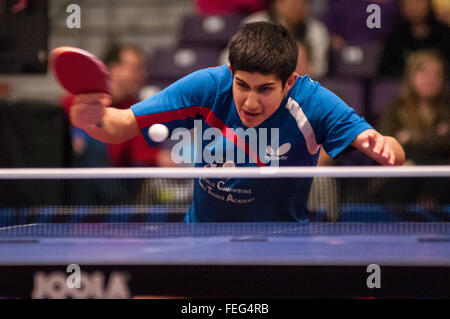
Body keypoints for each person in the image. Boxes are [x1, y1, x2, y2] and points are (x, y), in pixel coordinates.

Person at [69, 22, 405, 222]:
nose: (250, 102)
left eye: (265, 89)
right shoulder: (208, 86)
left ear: (289, 82)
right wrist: (94, 119)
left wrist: (385, 146)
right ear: (231, 72)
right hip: (202, 237)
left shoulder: (313, 102)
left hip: (283, 242)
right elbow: (123, 123)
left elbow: (390, 150)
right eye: (242, 85)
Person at [376, 49, 449, 220]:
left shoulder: (447, 109)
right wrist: (435, 137)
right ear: (411, 75)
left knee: (421, 161)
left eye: (437, 73)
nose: (431, 78)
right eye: (423, 71)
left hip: (441, 181)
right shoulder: (395, 110)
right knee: (412, 168)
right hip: (403, 181)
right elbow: (388, 146)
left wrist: (412, 138)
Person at [238, 0, 329, 78]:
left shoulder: (317, 30)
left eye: (301, 3)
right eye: (292, 4)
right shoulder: (254, 23)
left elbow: (319, 68)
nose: (296, 8)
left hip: (300, 84)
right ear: (277, 4)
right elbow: (230, 58)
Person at [378, 0, 450, 78]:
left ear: (429, 4)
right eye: (409, 3)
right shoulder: (395, 37)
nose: (414, 7)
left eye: (418, 2)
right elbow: (386, 73)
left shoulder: (445, 34)